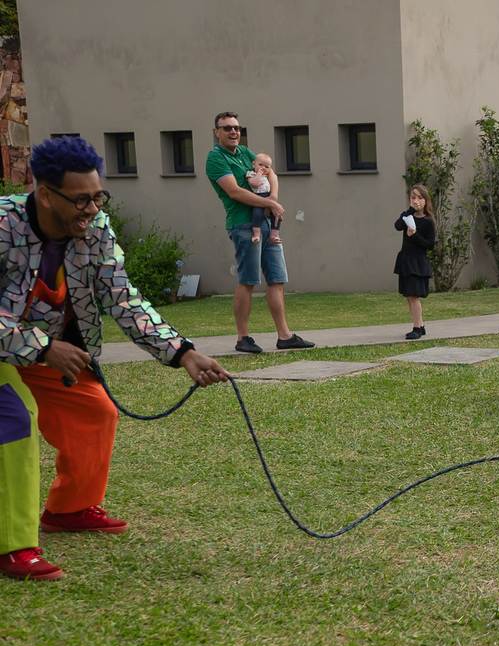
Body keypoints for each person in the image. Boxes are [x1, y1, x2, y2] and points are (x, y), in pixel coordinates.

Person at [1, 136, 230, 581]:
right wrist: (44, 347)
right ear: (45, 195)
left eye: (97, 196)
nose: (91, 209)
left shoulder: (96, 229)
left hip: (53, 353)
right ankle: (12, 546)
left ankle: (68, 509)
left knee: (95, 410)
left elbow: (123, 300)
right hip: (11, 351)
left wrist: (182, 352)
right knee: (14, 417)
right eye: (81, 199)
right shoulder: (4, 225)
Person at [205, 112, 314, 354]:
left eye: (236, 127)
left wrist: (272, 199)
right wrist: (270, 205)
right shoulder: (215, 159)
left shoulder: (245, 153)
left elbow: (270, 172)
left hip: (267, 223)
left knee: (277, 278)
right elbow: (234, 192)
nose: (233, 132)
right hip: (244, 226)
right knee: (248, 281)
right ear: (217, 132)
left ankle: (284, 336)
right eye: (227, 128)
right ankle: (243, 337)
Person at [394, 185, 436, 340]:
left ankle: (416, 328)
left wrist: (415, 236)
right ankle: (421, 324)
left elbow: (430, 245)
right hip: (406, 259)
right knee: (408, 295)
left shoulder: (428, 222)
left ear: (426, 201)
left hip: (418, 263)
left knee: (414, 296)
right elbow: (397, 226)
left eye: (420, 198)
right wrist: (410, 212)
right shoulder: (407, 217)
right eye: (413, 197)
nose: (416, 201)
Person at [245, 154, 283, 245]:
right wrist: (258, 173)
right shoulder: (251, 174)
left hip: (268, 195)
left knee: (277, 216)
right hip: (258, 197)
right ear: (254, 164)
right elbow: (255, 184)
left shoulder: (267, 175)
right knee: (257, 214)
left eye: (266, 167)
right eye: (260, 165)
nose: (263, 168)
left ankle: (273, 236)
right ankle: (257, 234)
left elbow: (273, 178)